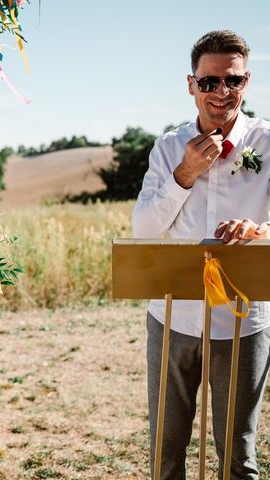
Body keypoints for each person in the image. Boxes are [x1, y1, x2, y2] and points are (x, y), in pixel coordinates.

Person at [133, 30, 270, 479]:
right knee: (166, 451)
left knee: (238, 456)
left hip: (244, 318)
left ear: (246, 82)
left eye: (231, 81)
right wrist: (184, 174)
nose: (220, 92)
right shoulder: (169, 148)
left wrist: (259, 230)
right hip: (174, 316)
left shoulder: (267, 144)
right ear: (190, 84)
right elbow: (145, 230)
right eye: (209, 82)